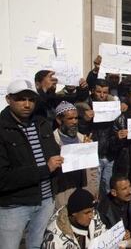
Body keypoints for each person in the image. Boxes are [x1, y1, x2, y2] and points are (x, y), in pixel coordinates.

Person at [0, 80, 63, 249]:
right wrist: (45, 169)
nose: (27, 104)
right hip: (15, 205)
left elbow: (53, 155)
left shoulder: (42, 123)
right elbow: (3, 178)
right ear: (8, 99)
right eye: (21, 99)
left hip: (45, 201)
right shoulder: (2, 129)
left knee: (36, 245)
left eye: (31, 100)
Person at [53, 101, 99, 209]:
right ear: (59, 120)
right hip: (64, 196)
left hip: (85, 193)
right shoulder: (52, 142)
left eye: (76, 118)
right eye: (70, 119)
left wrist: (93, 190)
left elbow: (93, 170)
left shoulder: (85, 139)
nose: (74, 122)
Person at [41, 188, 106, 248]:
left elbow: (104, 234)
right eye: (87, 213)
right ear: (74, 213)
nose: (91, 215)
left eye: (92, 210)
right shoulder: (55, 237)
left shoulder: (93, 214)